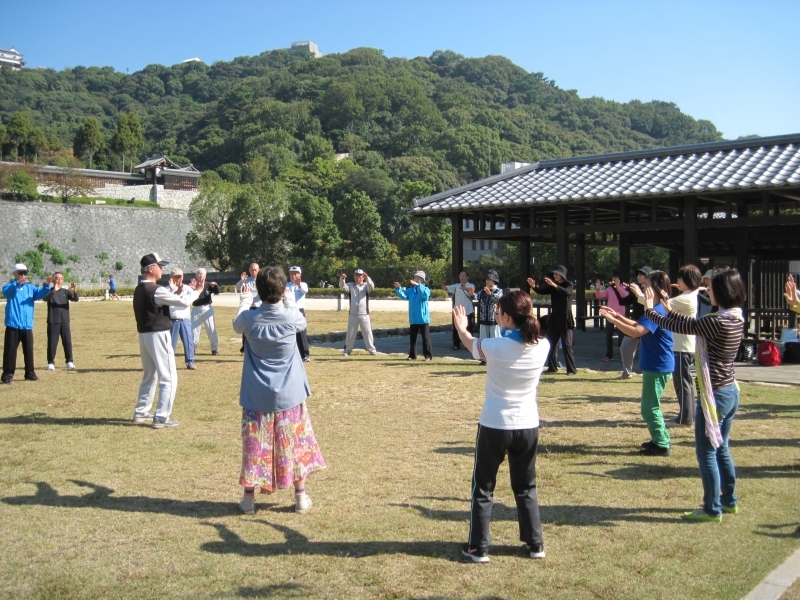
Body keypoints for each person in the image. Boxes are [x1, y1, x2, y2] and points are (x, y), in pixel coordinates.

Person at [453, 291, 550, 563]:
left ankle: (478, 547)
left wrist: (461, 327)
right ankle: (535, 543)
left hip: (495, 424)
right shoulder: (543, 346)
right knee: (526, 486)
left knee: (483, 486)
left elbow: (470, 343)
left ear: (507, 317)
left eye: (498, 313)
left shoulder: (495, 347)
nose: (495, 316)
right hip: (528, 425)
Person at [643, 269, 746, 521]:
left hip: (715, 396)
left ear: (722, 292)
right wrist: (668, 309)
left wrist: (650, 309)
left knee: (706, 453)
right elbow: (687, 323)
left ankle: (712, 509)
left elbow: (682, 326)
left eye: (711, 288)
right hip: (730, 391)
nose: (707, 291)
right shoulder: (735, 318)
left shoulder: (715, 321)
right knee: (722, 449)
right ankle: (729, 501)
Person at [233, 266, 326, 515]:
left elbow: (236, 325)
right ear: (283, 289)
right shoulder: (290, 317)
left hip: (256, 393)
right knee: (295, 444)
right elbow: (300, 320)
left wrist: (245, 300)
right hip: (290, 393)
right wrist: (288, 298)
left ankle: (248, 500)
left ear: (259, 289)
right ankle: (300, 497)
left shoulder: (250, 319)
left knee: (254, 445)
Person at [600, 271, 674, 456]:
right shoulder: (655, 309)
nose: (643, 289)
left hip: (658, 365)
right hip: (656, 364)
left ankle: (661, 444)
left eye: (646, 286)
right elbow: (636, 325)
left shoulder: (656, 311)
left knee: (649, 407)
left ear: (657, 289)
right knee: (650, 405)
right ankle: (659, 439)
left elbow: (635, 332)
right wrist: (617, 316)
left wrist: (613, 321)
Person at [132, 253, 200, 428]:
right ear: (151, 269)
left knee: (150, 375)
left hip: (144, 335)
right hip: (158, 334)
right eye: (159, 266)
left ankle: (141, 412)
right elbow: (182, 302)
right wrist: (197, 291)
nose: (162, 269)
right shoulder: (156, 290)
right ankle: (161, 416)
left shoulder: (139, 289)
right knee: (168, 377)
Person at [2, 263, 53, 384]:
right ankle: (7, 375)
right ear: (14, 274)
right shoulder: (9, 286)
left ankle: (30, 373)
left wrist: (46, 285)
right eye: (21, 273)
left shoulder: (30, 288)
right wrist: (17, 284)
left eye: (25, 273)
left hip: (27, 325)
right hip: (13, 325)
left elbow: (41, 294)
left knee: (29, 351)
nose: (23, 275)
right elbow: (7, 293)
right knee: (10, 351)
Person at [668, 265, 701, 427]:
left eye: (680, 279)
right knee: (684, 381)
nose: (678, 282)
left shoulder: (685, 298)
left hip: (682, 346)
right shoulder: (691, 295)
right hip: (684, 345)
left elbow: (662, 305)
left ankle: (685, 418)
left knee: (682, 382)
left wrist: (648, 293)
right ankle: (687, 415)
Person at [528, 265, 577, 375]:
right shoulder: (552, 287)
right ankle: (552, 367)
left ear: (562, 275)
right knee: (551, 343)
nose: (555, 276)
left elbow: (566, 292)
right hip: (554, 319)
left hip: (565, 319)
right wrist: (534, 286)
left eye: (557, 274)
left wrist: (554, 285)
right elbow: (541, 291)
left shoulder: (568, 284)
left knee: (567, 345)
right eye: (554, 274)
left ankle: (571, 370)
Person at [613, 266, 652, 379]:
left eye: (642, 274)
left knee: (648, 349)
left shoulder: (652, 289)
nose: (639, 277)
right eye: (638, 274)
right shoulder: (636, 289)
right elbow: (624, 301)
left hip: (649, 323)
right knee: (625, 346)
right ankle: (627, 372)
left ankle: (649, 372)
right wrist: (617, 287)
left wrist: (639, 293)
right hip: (635, 322)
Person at [394, 270, 432, 361]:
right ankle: (412, 355)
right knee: (413, 339)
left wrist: (418, 286)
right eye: (415, 277)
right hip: (414, 318)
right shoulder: (411, 290)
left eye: (418, 278)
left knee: (425, 338)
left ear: (422, 280)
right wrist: (398, 288)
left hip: (423, 319)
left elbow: (424, 296)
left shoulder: (426, 289)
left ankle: (428, 356)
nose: (415, 279)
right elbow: (404, 295)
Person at [44, 272, 79, 371]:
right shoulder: (49, 291)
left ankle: (69, 361)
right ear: (53, 280)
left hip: (64, 321)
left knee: (67, 342)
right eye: (57, 278)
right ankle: (50, 363)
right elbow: (45, 299)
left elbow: (75, 299)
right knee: (52, 343)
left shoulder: (65, 292)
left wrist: (75, 291)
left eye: (61, 278)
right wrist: (54, 291)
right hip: (53, 321)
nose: (59, 280)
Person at [339, 269, 377, 356]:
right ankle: (347, 350)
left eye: (360, 275)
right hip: (353, 314)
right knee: (350, 333)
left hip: (364, 314)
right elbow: (342, 286)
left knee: (367, 332)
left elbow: (372, 287)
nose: (358, 277)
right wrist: (342, 279)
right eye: (356, 275)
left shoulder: (366, 286)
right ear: (354, 276)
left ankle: (372, 350)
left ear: (363, 277)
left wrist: (368, 278)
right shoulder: (351, 285)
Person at [167, 268, 199, 370]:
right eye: (176, 277)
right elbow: (168, 301)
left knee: (188, 341)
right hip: (173, 319)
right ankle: (169, 363)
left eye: (180, 276)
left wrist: (195, 289)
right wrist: (173, 290)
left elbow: (193, 297)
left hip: (185, 319)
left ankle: (190, 362)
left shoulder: (187, 288)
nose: (178, 279)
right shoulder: (167, 289)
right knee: (171, 343)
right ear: (171, 278)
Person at [594, 271, 628, 362]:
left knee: (621, 335)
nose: (614, 279)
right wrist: (597, 288)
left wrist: (618, 286)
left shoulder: (625, 288)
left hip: (620, 315)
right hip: (610, 314)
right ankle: (609, 355)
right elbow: (599, 296)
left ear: (620, 279)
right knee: (608, 335)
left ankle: (623, 355)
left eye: (616, 277)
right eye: (613, 277)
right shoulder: (609, 289)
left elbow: (625, 295)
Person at [441, 270, 476, 350]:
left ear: (467, 277)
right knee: (456, 328)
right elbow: (448, 288)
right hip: (458, 311)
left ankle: (470, 345)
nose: (462, 277)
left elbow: (472, 293)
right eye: (460, 275)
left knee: (469, 328)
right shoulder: (456, 286)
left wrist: (465, 288)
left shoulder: (471, 285)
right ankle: (456, 344)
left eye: (464, 275)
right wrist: (445, 288)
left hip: (468, 310)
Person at [191, 268, 220, 356]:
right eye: (198, 273)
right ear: (196, 275)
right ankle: (192, 349)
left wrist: (215, 286)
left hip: (207, 309)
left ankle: (214, 349)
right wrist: (192, 288)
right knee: (194, 331)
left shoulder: (208, 285)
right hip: (196, 309)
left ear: (205, 275)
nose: (200, 275)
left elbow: (217, 291)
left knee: (211, 329)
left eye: (202, 274)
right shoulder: (193, 285)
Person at [287, 266, 311, 362]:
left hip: (299, 311)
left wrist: (299, 285)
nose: (293, 275)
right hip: (289, 311)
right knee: (290, 333)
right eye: (292, 274)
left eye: (296, 273)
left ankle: (305, 355)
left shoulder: (303, 284)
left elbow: (305, 291)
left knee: (301, 333)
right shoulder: (286, 285)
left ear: (300, 275)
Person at [235, 263, 261, 353]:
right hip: (249, 307)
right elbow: (237, 287)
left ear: (259, 270)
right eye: (252, 270)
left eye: (255, 270)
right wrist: (241, 281)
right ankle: (244, 347)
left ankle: (257, 347)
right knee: (246, 327)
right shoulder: (246, 280)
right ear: (249, 270)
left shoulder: (262, 280)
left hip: (259, 307)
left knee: (258, 328)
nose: (254, 271)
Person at [476, 270, 503, 339]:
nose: (487, 281)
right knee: (483, 339)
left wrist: (490, 294)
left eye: (489, 279)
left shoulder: (499, 291)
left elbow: (498, 300)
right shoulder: (483, 291)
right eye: (486, 279)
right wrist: (471, 294)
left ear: (494, 281)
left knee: (495, 338)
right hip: (483, 319)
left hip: (494, 319)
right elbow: (476, 296)